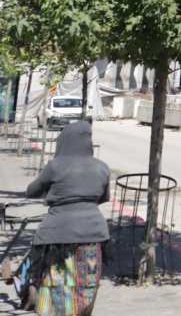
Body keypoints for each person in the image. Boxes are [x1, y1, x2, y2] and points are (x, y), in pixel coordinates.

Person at [20, 121, 109, 315]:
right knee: (86, 283)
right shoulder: (102, 168)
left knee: (55, 282)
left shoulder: (55, 166)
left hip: (56, 233)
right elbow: (103, 197)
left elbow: (31, 191)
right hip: (93, 234)